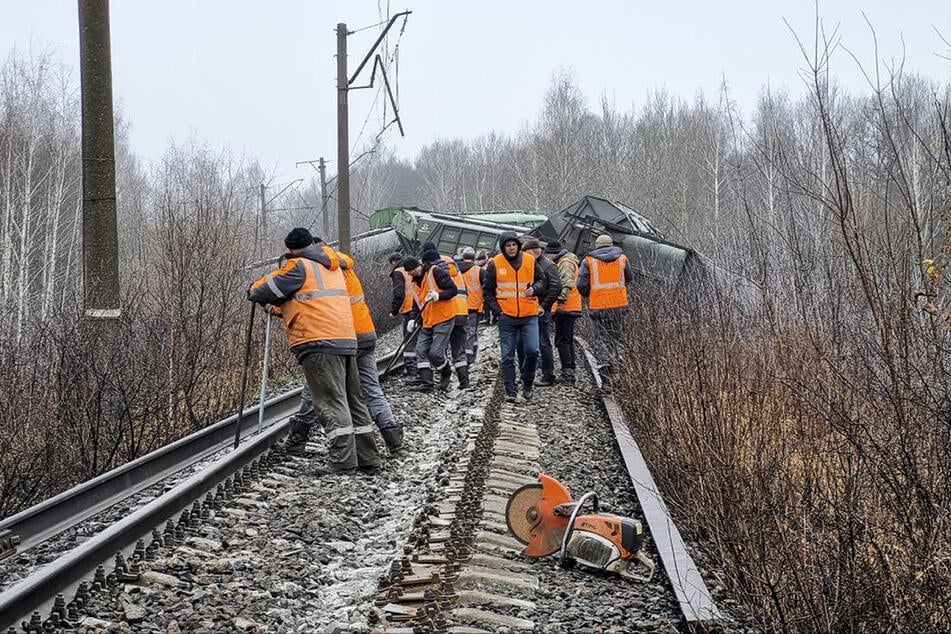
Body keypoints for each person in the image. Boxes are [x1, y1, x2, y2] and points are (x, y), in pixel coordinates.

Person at [248, 228, 380, 475]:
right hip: (346, 338)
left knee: (331, 401)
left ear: (290, 249)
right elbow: (311, 300)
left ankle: (342, 461)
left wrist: (255, 288)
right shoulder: (331, 267)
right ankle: (368, 458)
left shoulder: (299, 266)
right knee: (354, 400)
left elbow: (264, 290)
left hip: (319, 341)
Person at [483, 232, 547, 403]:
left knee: (533, 351)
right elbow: (487, 291)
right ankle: (511, 390)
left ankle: (528, 382)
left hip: (529, 315)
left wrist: (535, 289)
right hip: (507, 317)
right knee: (507, 356)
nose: (511, 248)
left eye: (513, 245)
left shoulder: (529, 260)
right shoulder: (495, 263)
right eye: (507, 245)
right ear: (503, 248)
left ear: (518, 245)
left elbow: (543, 281)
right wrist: (498, 312)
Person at [577, 234, 635, 376]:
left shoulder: (588, 261)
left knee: (601, 339)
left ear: (596, 246)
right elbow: (629, 278)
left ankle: (606, 371)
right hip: (619, 306)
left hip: (599, 307)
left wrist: (588, 294)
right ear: (611, 244)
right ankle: (620, 364)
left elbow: (581, 285)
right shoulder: (623, 258)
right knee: (617, 337)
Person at [406, 250, 459, 392]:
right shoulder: (415, 282)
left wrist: (439, 296)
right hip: (427, 320)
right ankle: (426, 383)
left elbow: (453, 290)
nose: (409, 275)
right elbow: (417, 303)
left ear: (417, 267)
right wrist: (412, 319)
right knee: (420, 350)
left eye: (410, 271)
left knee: (435, 353)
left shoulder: (435, 272)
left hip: (443, 317)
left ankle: (446, 372)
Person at [521, 238, 561, 386]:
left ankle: (548, 375)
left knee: (544, 342)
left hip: (541, 310)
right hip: (533, 308)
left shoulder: (548, 266)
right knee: (536, 342)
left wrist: (544, 306)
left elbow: (556, 287)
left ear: (532, 252)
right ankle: (539, 370)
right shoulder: (539, 264)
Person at [545, 241, 582, 384]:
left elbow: (566, 285)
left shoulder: (565, 263)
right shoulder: (566, 261)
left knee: (562, 341)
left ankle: (568, 373)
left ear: (551, 253)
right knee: (567, 340)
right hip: (570, 307)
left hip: (566, 307)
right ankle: (570, 370)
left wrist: (557, 301)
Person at [388, 252, 419, 380]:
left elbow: (399, 293)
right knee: (418, 339)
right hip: (419, 306)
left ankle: (412, 370)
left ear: (393, 262)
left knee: (409, 341)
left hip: (409, 308)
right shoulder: (412, 268)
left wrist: (394, 311)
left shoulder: (398, 272)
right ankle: (419, 367)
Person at [458, 246, 484, 365]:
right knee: (471, 332)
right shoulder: (479, 271)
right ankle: (469, 357)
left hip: (459, 307)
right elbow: (487, 288)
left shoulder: (456, 270)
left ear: (463, 257)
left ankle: (462, 355)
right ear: (474, 258)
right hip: (474, 307)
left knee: (461, 332)